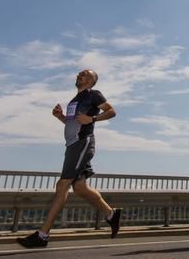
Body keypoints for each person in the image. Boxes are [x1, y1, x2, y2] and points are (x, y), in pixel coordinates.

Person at [18, 69, 122, 248]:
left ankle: (42, 236)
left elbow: (112, 111)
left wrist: (93, 118)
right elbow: (72, 123)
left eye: (84, 74)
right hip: (72, 145)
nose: (79, 75)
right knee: (80, 187)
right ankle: (112, 215)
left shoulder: (93, 95)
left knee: (62, 185)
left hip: (83, 143)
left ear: (91, 80)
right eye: (79, 73)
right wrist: (61, 117)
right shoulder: (74, 101)